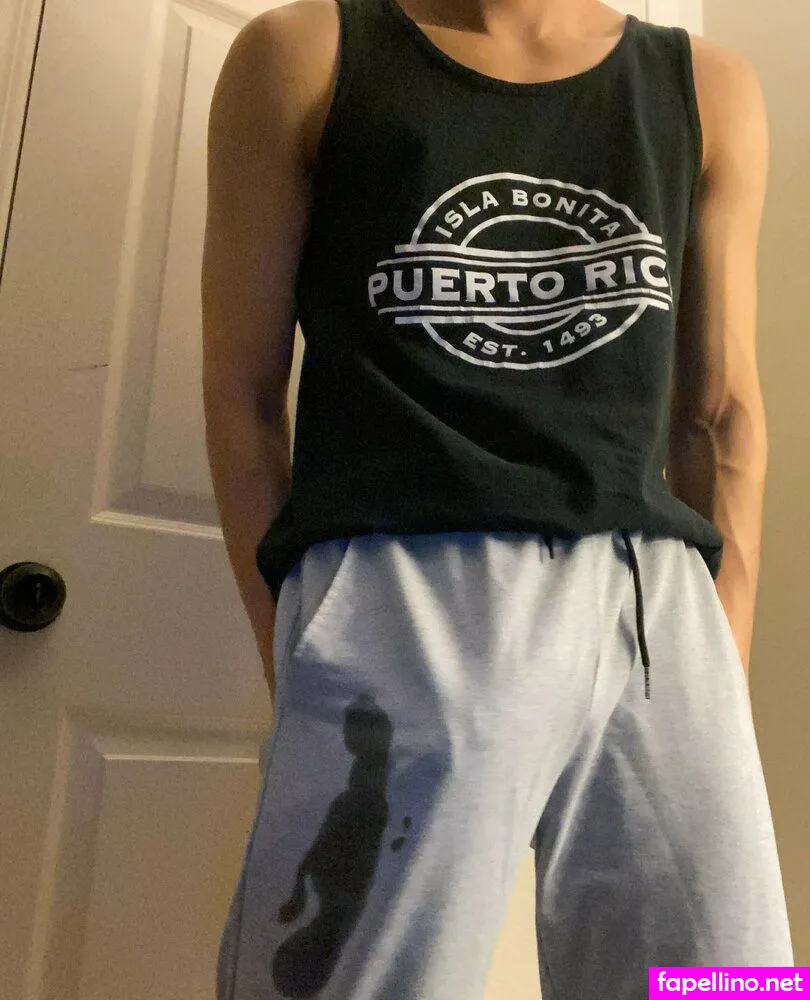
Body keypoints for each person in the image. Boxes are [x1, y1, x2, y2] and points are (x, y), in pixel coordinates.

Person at [201, 0, 794, 995]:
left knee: (724, 981)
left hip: (656, 603)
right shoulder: (303, 55)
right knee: (348, 981)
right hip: (403, 586)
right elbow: (243, 395)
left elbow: (722, 410)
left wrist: (719, 663)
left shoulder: (708, 87)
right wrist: (299, 646)